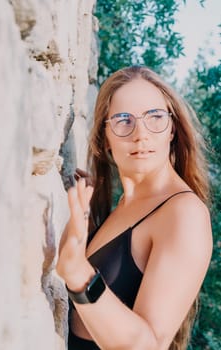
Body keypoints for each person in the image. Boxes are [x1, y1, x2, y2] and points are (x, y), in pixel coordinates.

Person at [56, 66, 213, 350]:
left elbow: (148, 346)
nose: (141, 134)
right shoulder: (117, 206)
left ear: (172, 129)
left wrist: (80, 276)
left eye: (155, 117)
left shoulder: (183, 213)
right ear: (105, 137)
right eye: (123, 120)